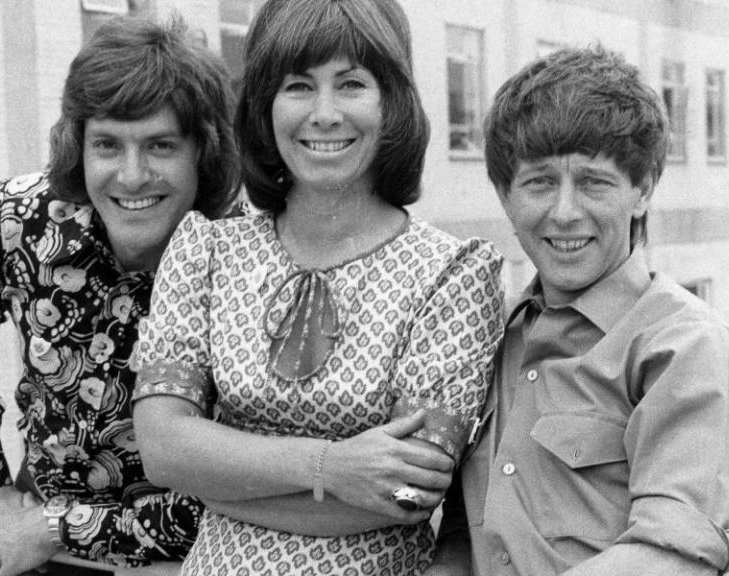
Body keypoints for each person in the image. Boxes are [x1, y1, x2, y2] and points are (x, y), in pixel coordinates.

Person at [130, 0, 505, 574]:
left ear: (392, 104)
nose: (324, 114)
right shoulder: (207, 249)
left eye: (351, 84)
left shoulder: (452, 275)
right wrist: (333, 467)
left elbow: (407, 495)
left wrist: (219, 478)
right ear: (264, 107)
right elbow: (161, 450)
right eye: (299, 86)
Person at [0, 15, 240, 576]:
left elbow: (253, 471)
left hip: (195, 553)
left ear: (202, 152)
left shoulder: (250, 251)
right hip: (42, 540)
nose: (132, 176)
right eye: (108, 145)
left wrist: (56, 527)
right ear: (78, 146)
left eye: (160, 145)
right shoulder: (18, 220)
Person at [429, 46, 729, 575]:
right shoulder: (495, 339)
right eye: (539, 181)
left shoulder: (685, 347)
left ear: (643, 191)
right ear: (504, 195)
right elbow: (464, 534)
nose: (564, 213)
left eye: (593, 182)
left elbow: (671, 557)